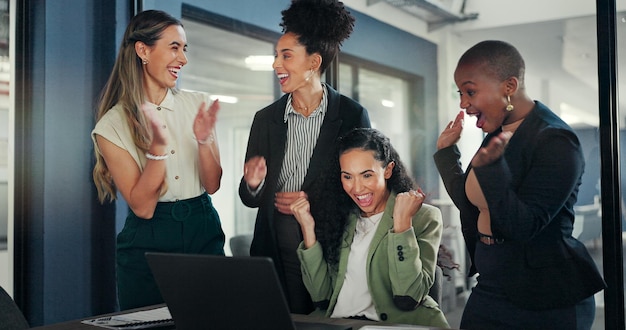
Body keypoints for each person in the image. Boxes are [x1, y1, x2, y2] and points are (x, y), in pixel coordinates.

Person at [434, 40, 605, 329]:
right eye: (460, 93)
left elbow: (522, 225)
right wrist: (446, 154)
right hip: (492, 281)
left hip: (546, 293)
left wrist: (491, 170)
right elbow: (472, 203)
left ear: (509, 86)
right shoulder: (497, 133)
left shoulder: (556, 140)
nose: (463, 103)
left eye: (471, 91)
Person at [239, 0, 370, 314]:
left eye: (286, 56)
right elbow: (249, 197)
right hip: (275, 249)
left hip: (327, 249)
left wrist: (309, 201)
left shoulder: (351, 115)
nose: (276, 65)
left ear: (313, 62)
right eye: (276, 55)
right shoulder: (265, 119)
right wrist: (254, 184)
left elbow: (365, 187)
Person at [91, 10, 225, 310]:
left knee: (214, 319)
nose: (183, 59)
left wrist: (204, 141)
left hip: (202, 226)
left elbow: (213, 184)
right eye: (174, 47)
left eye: (184, 49)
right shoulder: (111, 126)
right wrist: (157, 152)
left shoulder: (196, 104)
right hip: (147, 238)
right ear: (143, 50)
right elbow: (142, 206)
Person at [289, 128, 449, 327]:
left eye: (366, 175)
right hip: (341, 323)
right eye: (347, 176)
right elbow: (321, 297)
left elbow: (408, 296)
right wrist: (308, 228)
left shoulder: (424, 217)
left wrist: (402, 225)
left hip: (395, 325)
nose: (356, 188)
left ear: (388, 170)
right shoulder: (339, 217)